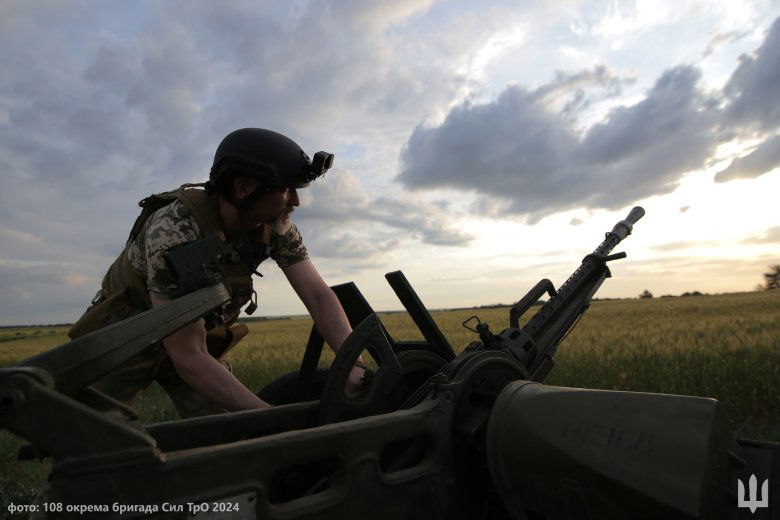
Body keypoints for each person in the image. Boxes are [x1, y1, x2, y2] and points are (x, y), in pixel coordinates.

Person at [68, 128, 363, 417]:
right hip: (125, 339)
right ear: (244, 188)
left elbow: (318, 296)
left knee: (233, 443)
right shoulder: (175, 231)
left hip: (196, 337)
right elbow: (188, 357)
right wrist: (273, 421)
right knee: (91, 446)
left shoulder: (276, 225)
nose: (296, 202)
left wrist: (354, 367)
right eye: (287, 190)